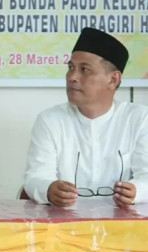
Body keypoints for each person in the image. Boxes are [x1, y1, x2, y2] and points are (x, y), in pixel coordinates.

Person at [23, 27, 148, 207]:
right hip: (65, 222)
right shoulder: (50, 120)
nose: (72, 77)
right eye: (70, 68)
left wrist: (137, 191)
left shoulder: (139, 119)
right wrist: (48, 189)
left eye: (85, 69)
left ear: (113, 79)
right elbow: (35, 177)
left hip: (125, 223)